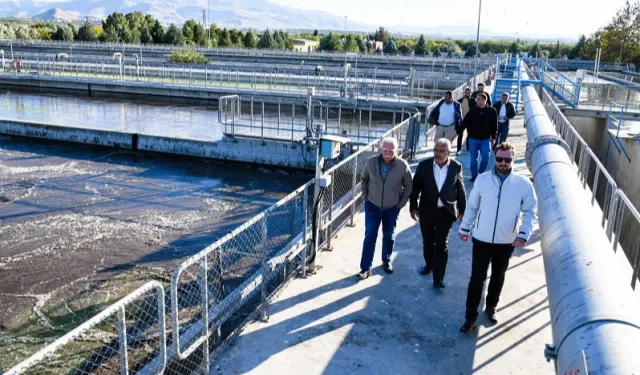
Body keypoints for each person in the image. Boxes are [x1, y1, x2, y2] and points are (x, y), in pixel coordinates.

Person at [457, 142, 538, 333]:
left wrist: (523, 234)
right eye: (500, 159)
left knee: (498, 275)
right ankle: (470, 317)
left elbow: (530, 211)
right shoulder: (483, 180)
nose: (503, 163)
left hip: (506, 240)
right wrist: (465, 228)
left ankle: (491, 306)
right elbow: (472, 207)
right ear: (494, 157)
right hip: (481, 238)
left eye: (507, 160)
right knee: (477, 278)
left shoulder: (523, 184)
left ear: (513, 159)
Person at [410, 138, 466, 288]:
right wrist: (413, 207)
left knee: (441, 244)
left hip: (446, 212)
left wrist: (463, 210)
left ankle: (438, 278)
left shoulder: (456, 167)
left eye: (442, 151)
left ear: (448, 152)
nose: (438, 153)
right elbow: (415, 188)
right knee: (428, 241)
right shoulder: (424, 166)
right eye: (436, 150)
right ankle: (429, 264)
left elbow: (460, 189)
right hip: (427, 210)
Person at [358, 137, 413, 279]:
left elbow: (408, 186)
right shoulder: (371, 163)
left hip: (391, 207)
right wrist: (365, 196)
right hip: (372, 205)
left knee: (389, 234)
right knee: (370, 234)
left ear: (396, 150)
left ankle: (386, 260)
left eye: (391, 151)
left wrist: (401, 204)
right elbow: (364, 179)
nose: (387, 154)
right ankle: (365, 268)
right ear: (381, 149)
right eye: (385, 150)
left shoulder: (402, 165)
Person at [462, 92, 497, 183]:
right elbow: (465, 123)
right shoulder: (473, 111)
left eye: (479, 99)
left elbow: (494, 126)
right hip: (473, 139)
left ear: (485, 100)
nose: (477, 101)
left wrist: (493, 138)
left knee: (486, 156)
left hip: (485, 139)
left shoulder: (492, 111)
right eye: (477, 99)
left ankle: (481, 172)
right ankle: (474, 175)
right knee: (473, 158)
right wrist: (457, 133)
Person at [456, 87, 477, 155]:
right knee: (460, 135)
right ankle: (458, 149)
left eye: (469, 93)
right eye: (466, 92)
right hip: (461, 120)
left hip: (470, 120)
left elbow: (475, 110)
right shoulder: (460, 100)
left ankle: (468, 147)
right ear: (464, 93)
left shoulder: (473, 101)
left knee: (469, 134)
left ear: (471, 93)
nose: (467, 94)